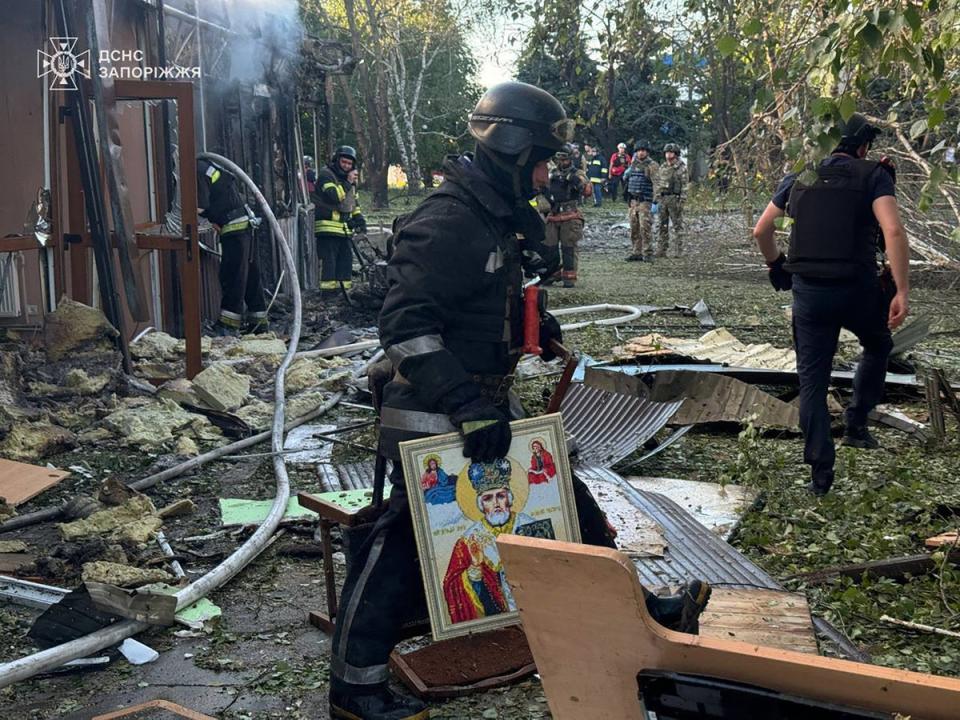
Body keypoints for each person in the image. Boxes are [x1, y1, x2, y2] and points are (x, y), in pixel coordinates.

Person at [327, 82, 710, 720]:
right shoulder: (447, 219)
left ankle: (640, 613)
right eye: (540, 159)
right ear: (509, 148)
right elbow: (406, 326)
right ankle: (355, 689)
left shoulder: (491, 217)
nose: (545, 174)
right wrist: (463, 404)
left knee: (568, 504)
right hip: (433, 409)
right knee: (400, 542)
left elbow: (487, 302)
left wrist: (535, 326)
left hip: (480, 403)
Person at [752, 113, 909, 496]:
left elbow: (761, 229)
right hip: (858, 289)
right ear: (862, 147)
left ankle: (820, 476)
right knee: (878, 344)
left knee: (813, 382)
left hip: (810, 295)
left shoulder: (799, 178)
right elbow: (892, 229)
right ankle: (856, 425)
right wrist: (902, 289)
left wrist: (776, 265)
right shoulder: (874, 174)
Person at [442, 459, 537, 622]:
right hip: (497, 618)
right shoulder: (469, 540)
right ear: (481, 504)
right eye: (488, 498)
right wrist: (473, 575)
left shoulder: (530, 525)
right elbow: (452, 584)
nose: (495, 503)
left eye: (500, 496)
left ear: (509, 498)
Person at [197, 158, 266, 336]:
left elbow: (199, 207)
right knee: (250, 275)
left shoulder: (196, 170)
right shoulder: (207, 165)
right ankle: (258, 324)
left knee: (232, 275)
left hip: (234, 227)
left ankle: (228, 326)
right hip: (246, 224)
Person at [313, 145, 367, 292]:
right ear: (336, 160)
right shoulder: (326, 175)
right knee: (329, 263)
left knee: (345, 262)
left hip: (344, 230)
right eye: (344, 162)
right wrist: (348, 183)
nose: (346, 166)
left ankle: (343, 293)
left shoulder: (350, 182)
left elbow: (353, 204)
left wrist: (359, 220)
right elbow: (334, 197)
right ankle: (328, 294)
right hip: (328, 228)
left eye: (349, 164)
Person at [545, 144, 587, 287]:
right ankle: (551, 273)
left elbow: (585, 189)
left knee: (568, 247)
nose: (562, 163)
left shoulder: (577, 173)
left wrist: (573, 180)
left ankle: (569, 277)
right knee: (549, 246)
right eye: (559, 159)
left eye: (565, 160)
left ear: (570, 159)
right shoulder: (552, 172)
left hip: (570, 213)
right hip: (553, 213)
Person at [623, 142, 659, 262]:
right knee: (634, 228)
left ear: (647, 152)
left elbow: (656, 183)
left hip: (645, 201)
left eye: (643, 150)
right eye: (639, 150)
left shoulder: (652, 165)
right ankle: (636, 252)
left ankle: (647, 252)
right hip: (633, 201)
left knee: (645, 227)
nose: (641, 152)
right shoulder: (633, 164)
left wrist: (655, 201)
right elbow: (628, 179)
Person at [657, 142, 686, 257]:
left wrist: (682, 200)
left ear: (676, 154)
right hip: (663, 198)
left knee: (677, 225)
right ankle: (662, 249)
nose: (668, 155)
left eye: (671, 152)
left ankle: (679, 250)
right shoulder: (663, 167)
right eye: (667, 152)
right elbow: (659, 183)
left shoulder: (681, 167)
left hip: (675, 198)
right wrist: (657, 197)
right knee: (662, 225)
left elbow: (685, 185)